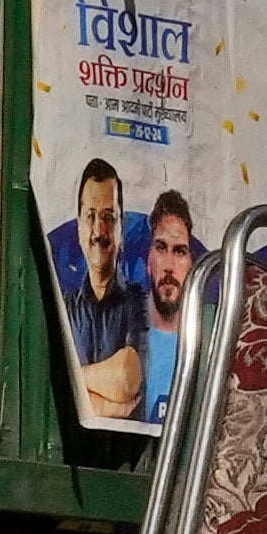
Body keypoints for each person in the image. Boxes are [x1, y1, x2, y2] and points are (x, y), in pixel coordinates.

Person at [51, 156, 144, 422]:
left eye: (108, 217)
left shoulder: (139, 302)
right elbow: (58, 394)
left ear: (121, 227)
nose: (98, 230)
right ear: (78, 225)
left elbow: (127, 379)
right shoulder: (65, 308)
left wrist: (75, 377)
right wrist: (111, 406)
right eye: (90, 216)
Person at [133, 186, 205, 411]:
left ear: (192, 264)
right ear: (148, 260)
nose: (169, 266)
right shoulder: (122, 332)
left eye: (180, 251)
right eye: (161, 248)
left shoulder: (208, 344)